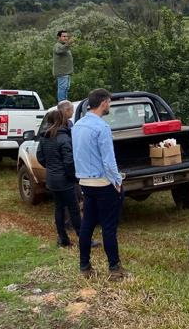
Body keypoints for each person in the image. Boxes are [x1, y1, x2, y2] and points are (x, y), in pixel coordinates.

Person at [72, 88, 125, 280]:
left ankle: (85, 266)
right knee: (109, 227)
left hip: (85, 181)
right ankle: (114, 268)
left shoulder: (77, 126)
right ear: (103, 102)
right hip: (103, 182)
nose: (109, 105)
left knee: (87, 224)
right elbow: (108, 160)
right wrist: (117, 181)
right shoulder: (102, 127)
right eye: (109, 102)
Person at [37, 109, 81, 247]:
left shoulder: (44, 137)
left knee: (59, 208)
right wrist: (73, 177)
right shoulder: (64, 138)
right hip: (65, 180)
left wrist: (51, 168)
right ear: (63, 120)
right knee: (74, 209)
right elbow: (69, 162)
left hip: (52, 179)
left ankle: (63, 238)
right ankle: (83, 238)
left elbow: (40, 157)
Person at [53, 30, 74, 103]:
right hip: (62, 73)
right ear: (59, 37)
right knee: (62, 89)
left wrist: (67, 44)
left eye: (67, 36)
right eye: (64, 36)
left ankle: (64, 103)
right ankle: (62, 104)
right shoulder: (57, 45)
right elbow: (59, 50)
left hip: (66, 72)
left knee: (65, 88)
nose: (66, 38)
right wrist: (68, 43)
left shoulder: (64, 45)